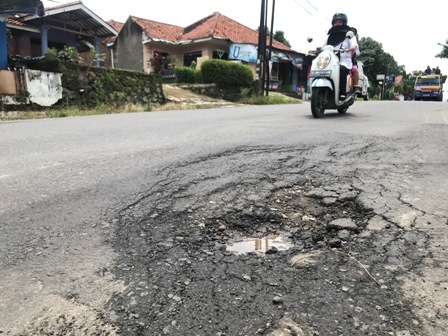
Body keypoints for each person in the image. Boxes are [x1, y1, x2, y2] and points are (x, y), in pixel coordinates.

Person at [322, 13, 359, 99]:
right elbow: (323, 46)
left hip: (344, 61)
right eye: (336, 22)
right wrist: (316, 49)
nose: (337, 24)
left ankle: (342, 92)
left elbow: (354, 44)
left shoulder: (349, 34)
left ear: (344, 23)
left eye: (339, 22)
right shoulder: (330, 35)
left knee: (341, 69)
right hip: (330, 60)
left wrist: (353, 46)